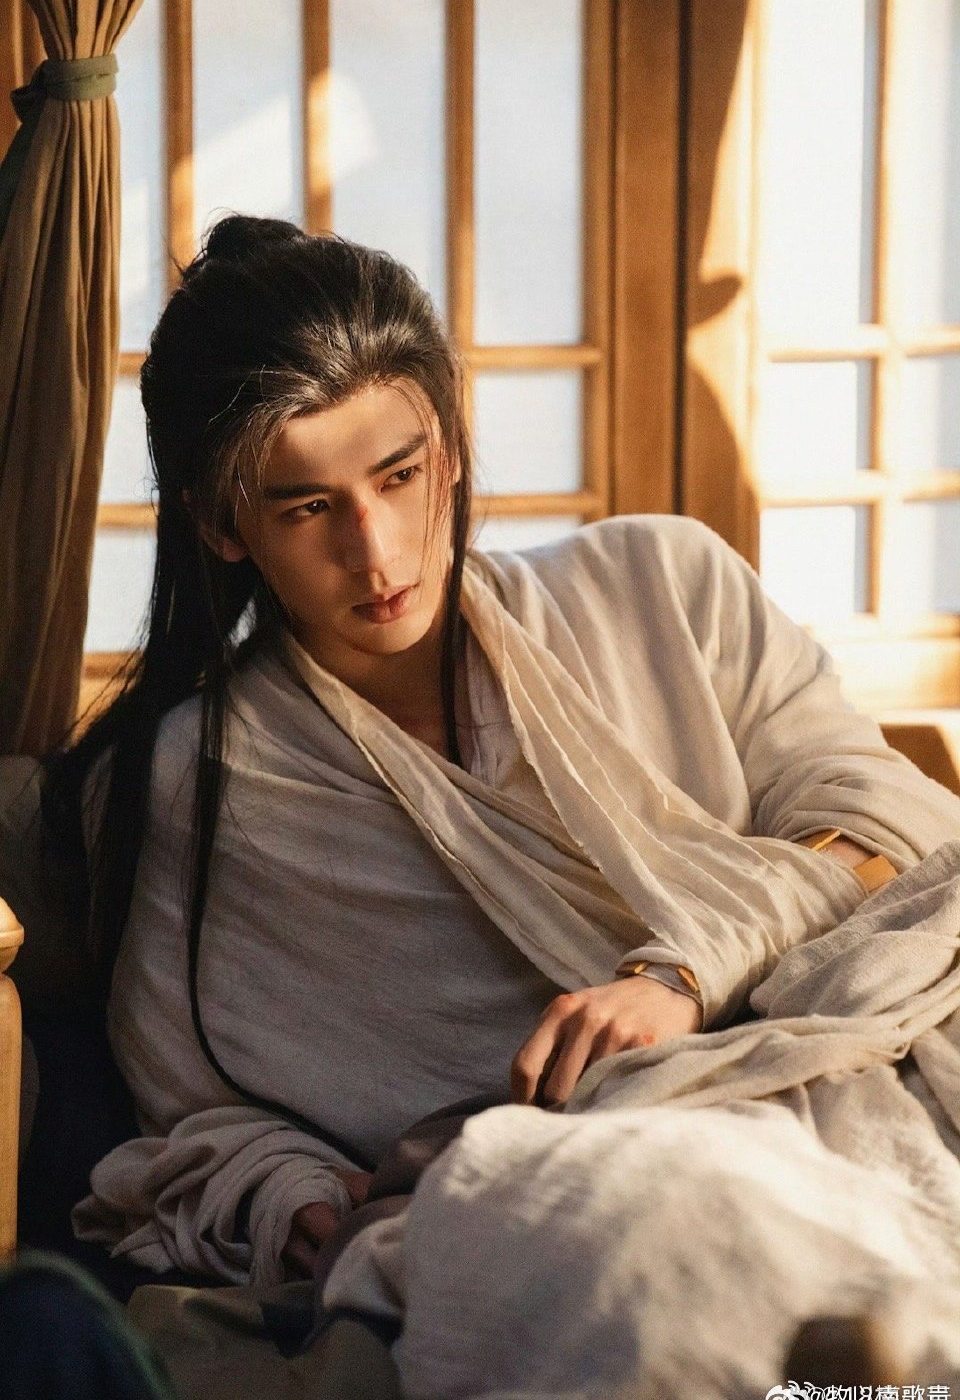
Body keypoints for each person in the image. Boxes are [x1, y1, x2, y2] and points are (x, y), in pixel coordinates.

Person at [42, 215, 960, 1310]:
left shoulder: (663, 585)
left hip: (865, 1063)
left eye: (399, 474)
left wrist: (683, 973)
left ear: (450, 443)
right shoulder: (193, 782)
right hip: (579, 1182)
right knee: (666, 1255)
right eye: (310, 507)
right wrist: (286, 1191)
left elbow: (897, 839)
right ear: (221, 523)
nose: (375, 550)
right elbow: (193, 1111)